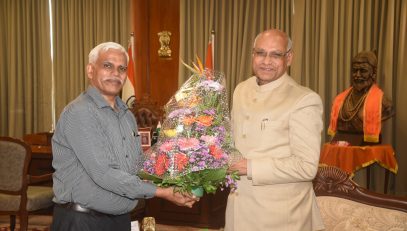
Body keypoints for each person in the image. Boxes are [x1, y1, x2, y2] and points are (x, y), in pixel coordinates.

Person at [51, 42, 197, 231]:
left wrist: (174, 156)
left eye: (121, 68)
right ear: (90, 70)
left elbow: (136, 166)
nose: (115, 73)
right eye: (107, 66)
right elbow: (104, 174)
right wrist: (163, 192)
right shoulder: (80, 112)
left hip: (119, 219)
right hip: (83, 221)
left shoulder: (126, 115)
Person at [226, 29, 325, 231]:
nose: (266, 61)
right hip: (238, 208)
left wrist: (250, 167)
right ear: (252, 55)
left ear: (289, 58)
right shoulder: (241, 89)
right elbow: (232, 141)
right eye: (260, 53)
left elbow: (306, 166)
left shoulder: (304, 99)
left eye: (275, 54)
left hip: (282, 217)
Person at [328, 51, 393, 146]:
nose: (357, 75)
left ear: (374, 73)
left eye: (363, 71)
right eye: (355, 71)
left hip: (365, 149)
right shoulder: (339, 100)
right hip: (341, 146)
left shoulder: (383, 103)